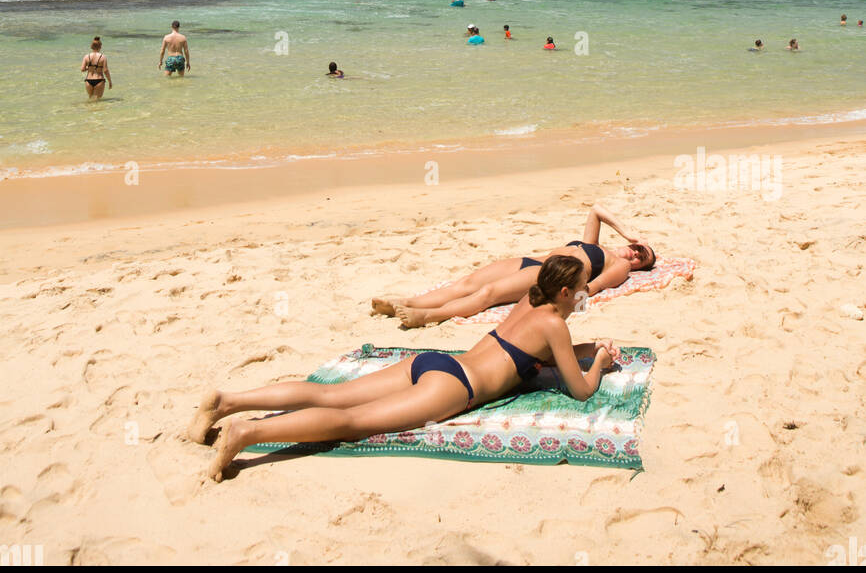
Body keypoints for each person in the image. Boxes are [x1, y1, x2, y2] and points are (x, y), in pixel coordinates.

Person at [189, 256, 615, 481]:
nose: (585, 296)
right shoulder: (555, 324)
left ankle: (228, 401)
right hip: (454, 388)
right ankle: (248, 433)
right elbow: (580, 390)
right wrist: (598, 362)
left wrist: (583, 347)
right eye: (582, 291)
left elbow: (534, 351)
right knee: (349, 421)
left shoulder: (531, 302)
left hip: (435, 362)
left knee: (331, 394)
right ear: (565, 291)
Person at [372, 203, 656, 327]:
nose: (635, 254)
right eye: (638, 249)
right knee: (467, 283)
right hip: (531, 260)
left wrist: (561, 299)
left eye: (642, 258)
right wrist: (628, 232)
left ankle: (428, 316)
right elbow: (596, 209)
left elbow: (592, 289)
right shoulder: (596, 245)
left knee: (488, 294)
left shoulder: (620, 265)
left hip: (548, 273)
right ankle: (409, 301)